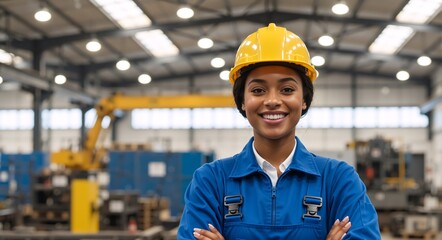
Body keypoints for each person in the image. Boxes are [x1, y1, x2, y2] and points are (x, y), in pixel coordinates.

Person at [177, 23, 381, 239]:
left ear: (303, 100)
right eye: (258, 90)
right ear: (243, 101)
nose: (272, 101)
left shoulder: (338, 180)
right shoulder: (211, 181)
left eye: (287, 90)